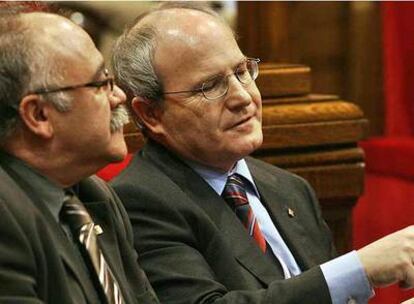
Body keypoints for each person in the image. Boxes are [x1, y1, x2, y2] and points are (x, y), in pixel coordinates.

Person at [111, 2, 414, 304]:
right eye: (210, 86)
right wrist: (361, 268)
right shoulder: (137, 201)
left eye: (242, 71)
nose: (243, 97)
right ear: (151, 113)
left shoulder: (288, 188)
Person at [0, 8, 159, 304]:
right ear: (39, 115)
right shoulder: (6, 217)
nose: (119, 96)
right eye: (101, 84)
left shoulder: (93, 195)